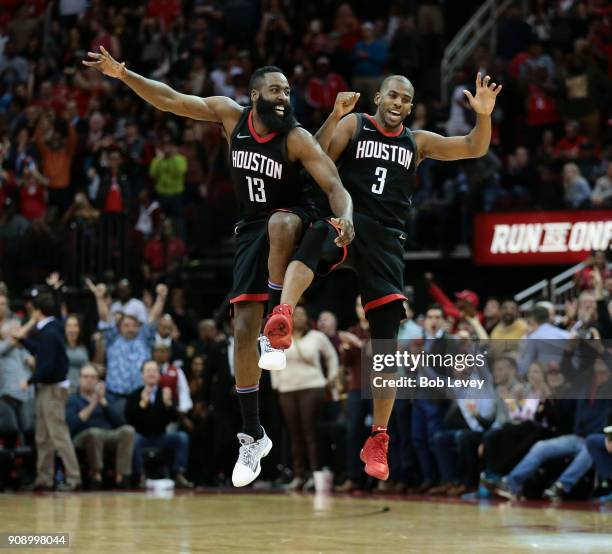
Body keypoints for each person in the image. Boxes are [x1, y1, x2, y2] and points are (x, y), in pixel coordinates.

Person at [84, 49, 354, 488]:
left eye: (287, 90)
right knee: (241, 333)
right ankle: (253, 435)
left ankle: (277, 323)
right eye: (275, 89)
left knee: (281, 223)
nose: (284, 96)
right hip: (250, 229)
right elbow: (170, 99)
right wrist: (123, 72)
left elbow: (335, 186)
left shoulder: (298, 137)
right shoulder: (231, 116)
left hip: (298, 215)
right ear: (254, 95)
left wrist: (348, 219)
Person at [264, 72, 502, 481]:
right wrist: (336, 116)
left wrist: (482, 116)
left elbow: (473, 147)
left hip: (387, 241)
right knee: (318, 233)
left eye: (405, 100)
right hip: (349, 221)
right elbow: (315, 157)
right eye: (392, 95)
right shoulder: (356, 125)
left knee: (386, 342)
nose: (398, 103)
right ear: (379, 97)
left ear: (410, 107)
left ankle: (378, 437)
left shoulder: (418, 141)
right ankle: (282, 314)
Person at [13, 293, 81, 491]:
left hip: (52, 389)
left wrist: (30, 380)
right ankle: (44, 477)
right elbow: (41, 352)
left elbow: (48, 365)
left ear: (37, 311)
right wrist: (24, 342)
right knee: (42, 436)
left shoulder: (50, 332)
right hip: (46, 389)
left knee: (58, 434)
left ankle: (74, 478)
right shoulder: (51, 329)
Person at [270, 305, 339, 491]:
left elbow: (332, 356)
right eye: (295, 315)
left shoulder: (317, 337)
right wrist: (276, 383)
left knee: (310, 432)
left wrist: (329, 379)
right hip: (287, 388)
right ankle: (299, 474)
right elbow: (272, 361)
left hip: (312, 386)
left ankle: (315, 474)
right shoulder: (280, 337)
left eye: (302, 314)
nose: (299, 318)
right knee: (294, 433)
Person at [126, 360, 194, 489]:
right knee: (132, 439)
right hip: (142, 437)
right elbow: (130, 420)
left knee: (182, 437)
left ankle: (179, 473)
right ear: (142, 375)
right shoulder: (134, 395)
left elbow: (174, 418)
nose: (151, 373)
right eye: (148, 371)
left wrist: (168, 404)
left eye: (154, 371)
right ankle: (140, 475)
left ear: (159, 375)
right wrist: (143, 405)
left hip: (161, 437)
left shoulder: (165, 393)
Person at [66, 364, 135, 490]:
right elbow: (72, 425)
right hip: (82, 436)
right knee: (94, 433)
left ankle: (122, 477)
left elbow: (119, 423)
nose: (89, 380)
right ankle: (96, 475)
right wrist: (92, 405)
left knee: (128, 431)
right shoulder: (73, 399)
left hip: (108, 434)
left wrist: (103, 403)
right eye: (86, 377)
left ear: (98, 380)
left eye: (93, 377)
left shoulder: (106, 398)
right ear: (80, 379)